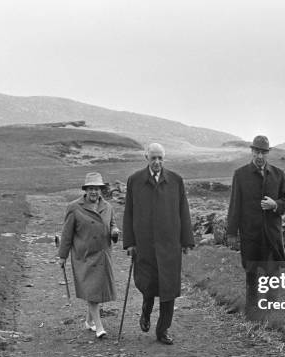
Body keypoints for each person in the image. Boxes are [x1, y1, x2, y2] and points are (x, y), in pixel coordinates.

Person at [123, 143, 194, 345]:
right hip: (145, 244)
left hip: (170, 244)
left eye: (160, 158)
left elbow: (183, 211)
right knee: (148, 284)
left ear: (164, 159)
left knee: (169, 289)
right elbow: (129, 213)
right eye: (153, 158)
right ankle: (146, 311)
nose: (157, 162)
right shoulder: (135, 181)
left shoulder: (175, 181)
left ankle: (163, 330)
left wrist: (186, 240)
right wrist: (130, 242)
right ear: (146, 157)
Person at [226, 135, 285, 318]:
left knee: (273, 274)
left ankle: (271, 313)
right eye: (257, 151)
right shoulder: (240, 175)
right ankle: (252, 312)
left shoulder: (278, 174)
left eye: (263, 152)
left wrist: (276, 205)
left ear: (268, 153)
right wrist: (232, 232)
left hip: (271, 234)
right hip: (251, 234)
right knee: (252, 273)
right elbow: (235, 205)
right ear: (252, 151)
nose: (260, 156)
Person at [58, 172, 119, 339]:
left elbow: (112, 223)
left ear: (101, 190)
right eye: (91, 189)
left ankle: (89, 321)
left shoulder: (107, 207)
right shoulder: (74, 207)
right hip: (84, 256)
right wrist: (62, 256)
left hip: (102, 254)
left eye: (97, 189)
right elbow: (67, 234)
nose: (94, 192)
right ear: (86, 190)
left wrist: (114, 230)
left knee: (96, 290)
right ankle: (99, 327)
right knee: (92, 290)